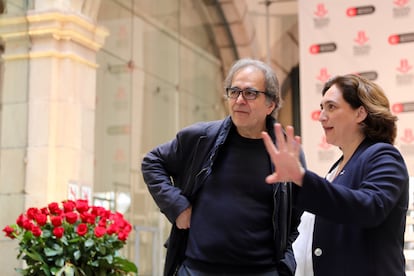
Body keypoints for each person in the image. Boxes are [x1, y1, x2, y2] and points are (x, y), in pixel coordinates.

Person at [141, 58, 306, 276]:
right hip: (197, 269)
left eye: (250, 93)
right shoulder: (201, 138)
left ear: (271, 104)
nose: (239, 100)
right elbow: (152, 162)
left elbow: (294, 214)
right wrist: (177, 205)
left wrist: (283, 264)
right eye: (234, 91)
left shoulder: (287, 152)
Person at [261, 74, 409, 276]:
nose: (321, 116)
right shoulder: (336, 168)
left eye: (331, 107)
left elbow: (370, 207)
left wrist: (303, 179)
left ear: (360, 113)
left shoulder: (383, 155)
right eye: (322, 107)